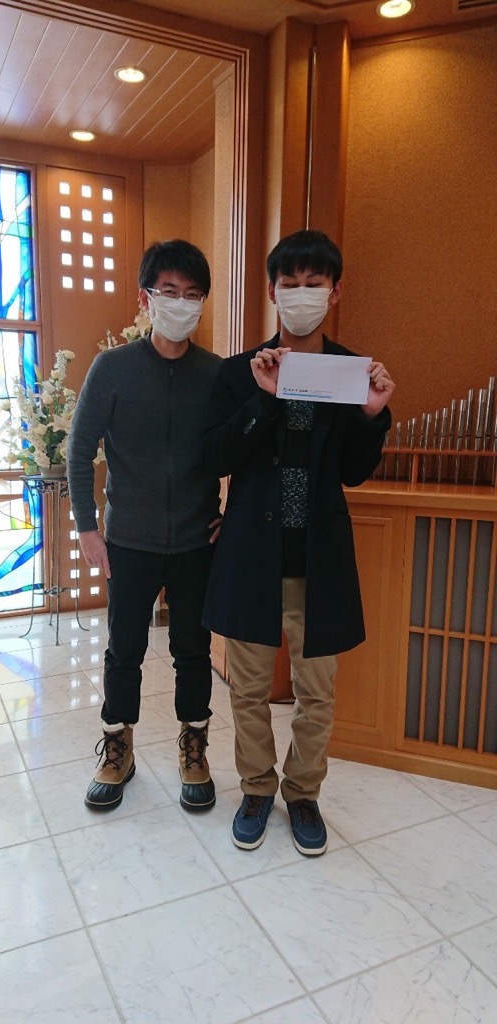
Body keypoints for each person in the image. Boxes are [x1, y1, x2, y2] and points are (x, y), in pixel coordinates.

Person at [201, 229, 395, 855]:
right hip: (252, 557)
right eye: (291, 284)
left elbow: (353, 472)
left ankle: (303, 792)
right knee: (248, 690)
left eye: (315, 284)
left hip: (319, 560)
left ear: (335, 293)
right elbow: (217, 456)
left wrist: (371, 414)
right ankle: (257, 788)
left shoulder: (350, 373)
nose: (302, 294)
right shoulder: (240, 372)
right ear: (272, 291)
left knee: (317, 693)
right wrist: (262, 400)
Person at [67, 239, 222, 813]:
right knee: (124, 648)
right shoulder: (113, 369)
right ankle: (118, 747)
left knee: (193, 650)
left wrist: (229, 515)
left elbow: (244, 451)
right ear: (146, 298)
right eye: (170, 292)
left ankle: (194, 747)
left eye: (193, 294)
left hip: (195, 541)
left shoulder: (216, 375)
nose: (181, 304)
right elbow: (79, 450)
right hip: (128, 540)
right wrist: (87, 527)